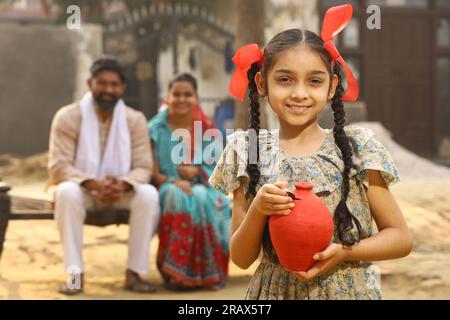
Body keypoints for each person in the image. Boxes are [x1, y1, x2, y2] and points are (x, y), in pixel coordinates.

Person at [208, 4, 412, 300]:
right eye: (285, 79)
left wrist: (343, 252)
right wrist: (258, 209)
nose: (300, 93)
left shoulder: (356, 148)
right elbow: (241, 258)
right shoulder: (245, 151)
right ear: (261, 83)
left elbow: (400, 238)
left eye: (314, 81)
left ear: (331, 88)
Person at [48, 57, 160, 295]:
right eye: (102, 83)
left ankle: (135, 273)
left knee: (149, 195)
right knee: (65, 192)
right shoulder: (68, 116)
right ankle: (75, 275)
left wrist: (123, 184)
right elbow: (58, 166)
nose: (108, 90)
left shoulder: (135, 120)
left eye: (114, 85)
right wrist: (93, 183)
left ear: (123, 88)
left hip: (120, 191)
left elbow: (143, 166)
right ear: (90, 83)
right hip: (84, 191)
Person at [148, 73, 231, 291]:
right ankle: (176, 274)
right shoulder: (156, 129)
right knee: (178, 197)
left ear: (196, 98)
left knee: (204, 197)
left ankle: (206, 273)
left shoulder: (206, 128)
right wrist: (175, 181)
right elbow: (155, 174)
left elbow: (217, 172)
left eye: (188, 94)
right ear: (168, 97)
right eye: (176, 94)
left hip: (204, 187)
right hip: (168, 185)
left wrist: (196, 171)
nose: (182, 99)